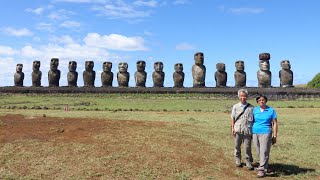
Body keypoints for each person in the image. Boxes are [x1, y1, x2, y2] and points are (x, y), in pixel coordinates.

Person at [252, 95, 278, 178]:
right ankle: (264, 166)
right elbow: (252, 120)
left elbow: (275, 123)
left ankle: (262, 169)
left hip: (266, 132)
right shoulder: (255, 110)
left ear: (266, 101)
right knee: (259, 150)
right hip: (255, 132)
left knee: (264, 151)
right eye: (259, 100)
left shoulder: (271, 110)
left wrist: (275, 135)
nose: (261, 101)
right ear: (257, 102)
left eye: (263, 100)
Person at [231, 89, 254, 170]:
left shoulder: (251, 108)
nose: (243, 97)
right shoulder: (235, 106)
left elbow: (254, 120)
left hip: (247, 130)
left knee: (247, 147)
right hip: (238, 129)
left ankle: (248, 162)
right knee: (237, 146)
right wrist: (232, 128)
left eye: (244, 96)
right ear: (238, 97)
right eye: (241, 96)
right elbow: (233, 118)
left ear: (247, 97)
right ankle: (238, 160)